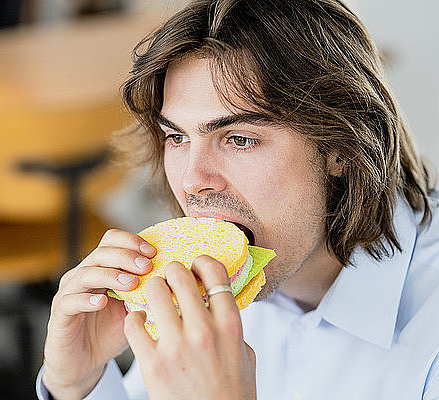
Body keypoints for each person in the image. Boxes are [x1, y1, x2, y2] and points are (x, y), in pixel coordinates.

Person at [37, 0, 439, 398]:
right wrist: (80, 384)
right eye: (176, 137)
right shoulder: (204, 290)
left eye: (239, 139)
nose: (193, 181)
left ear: (342, 149)